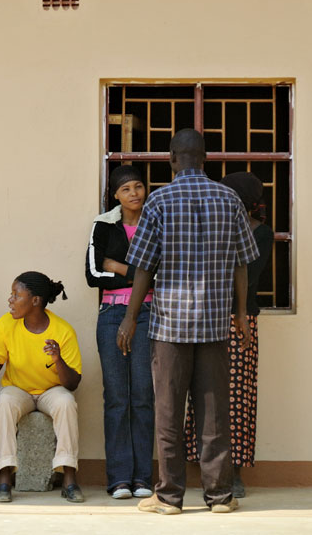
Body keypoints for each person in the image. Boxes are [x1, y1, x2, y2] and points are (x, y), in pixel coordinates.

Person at [117, 129, 260, 515]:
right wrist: (242, 316)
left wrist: (130, 318)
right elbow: (242, 264)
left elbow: (143, 266)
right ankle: (220, 497)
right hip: (215, 325)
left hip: (170, 328)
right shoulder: (229, 199)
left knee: (168, 411)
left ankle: (169, 497)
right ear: (205, 158)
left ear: (172, 159)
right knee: (214, 413)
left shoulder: (159, 201)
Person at [183, 172, 274, 498]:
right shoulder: (213, 226)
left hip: (239, 320)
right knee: (203, 391)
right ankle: (206, 466)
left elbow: (247, 279)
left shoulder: (261, 233)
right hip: (203, 315)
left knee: (235, 396)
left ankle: (232, 473)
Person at [0, 272, 84, 504]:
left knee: (66, 403)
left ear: (35, 300)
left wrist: (58, 359)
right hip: (18, 390)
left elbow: (72, 384)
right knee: (4, 402)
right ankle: (5, 477)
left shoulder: (63, 330)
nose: (10, 300)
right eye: (11, 294)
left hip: (50, 391)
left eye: (16, 295)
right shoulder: (6, 323)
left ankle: (69, 478)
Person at [84, 165, 155, 499]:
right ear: (115, 195)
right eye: (126, 189)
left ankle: (143, 478)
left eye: (139, 186)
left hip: (149, 314)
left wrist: (120, 266)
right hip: (112, 314)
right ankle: (119, 479)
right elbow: (94, 273)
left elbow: (162, 274)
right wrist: (137, 273)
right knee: (116, 397)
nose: (134, 194)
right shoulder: (103, 224)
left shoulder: (157, 221)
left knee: (143, 395)